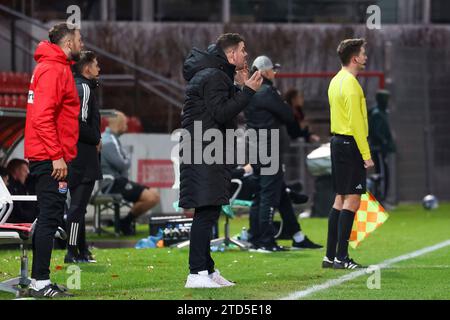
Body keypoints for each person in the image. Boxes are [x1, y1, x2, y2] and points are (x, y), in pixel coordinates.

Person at [180, 33, 263, 288]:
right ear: (230, 54)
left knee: (210, 208)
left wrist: (239, 87)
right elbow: (221, 112)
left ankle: (208, 269)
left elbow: (223, 111)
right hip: (204, 151)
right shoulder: (214, 76)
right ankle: (196, 273)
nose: (246, 54)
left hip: (207, 150)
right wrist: (247, 90)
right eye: (242, 50)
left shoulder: (215, 75)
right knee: (205, 211)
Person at [24, 22, 83, 298]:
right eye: (80, 39)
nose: (82, 44)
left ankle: (40, 280)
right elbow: (42, 117)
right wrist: (57, 156)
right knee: (49, 219)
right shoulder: (52, 69)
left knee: (49, 218)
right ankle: (39, 283)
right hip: (50, 158)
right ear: (69, 42)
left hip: (50, 155)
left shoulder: (52, 67)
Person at [244, 55, 322, 252]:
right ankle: (266, 241)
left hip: (256, 148)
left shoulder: (251, 91)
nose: (275, 72)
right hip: (268, 150)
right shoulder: (267, 91)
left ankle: (292, 236)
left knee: (266, 194)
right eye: (272, 69)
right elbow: (287, 115)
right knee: (268, 195)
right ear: (263, 72)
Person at [323, 38, 374, 270]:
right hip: (350, 144)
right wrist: (366, 154)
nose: (365, 57)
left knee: (339, 200)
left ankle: (330, 256)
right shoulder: (352, 84)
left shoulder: (335, 80)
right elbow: (356, 123)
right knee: (352, 200)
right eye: (363, 53)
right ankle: (342, 258)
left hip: (337, 142)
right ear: (354, 58)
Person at [64, 51, 102, 264]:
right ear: (87, 68)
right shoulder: (84, 88)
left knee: (78, 206)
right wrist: (96, 138)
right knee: (77, 207)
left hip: (76, 156)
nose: (99, 69)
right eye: (96, 64)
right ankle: (72, 252)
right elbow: (79, 123)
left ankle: (82, 251)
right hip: (82, 157)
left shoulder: (76, 86)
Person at [101, 111, 160, 235]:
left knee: (154, 194)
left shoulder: (112, 139)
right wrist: (127, 158)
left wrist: (125, 159)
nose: (127, 127)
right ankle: (125, 222)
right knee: (151, 197)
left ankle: (125, 221)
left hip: (119, 182)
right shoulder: (108, 141)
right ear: (119, 124)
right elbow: (122, 163)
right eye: (125, 124)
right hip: (113, 184)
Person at [368, 89, 396, 201]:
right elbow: (375, 131)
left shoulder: (383, 112)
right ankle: (381, 198)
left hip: (383, 149)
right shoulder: (376, 114)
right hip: (378, 149)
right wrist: (383, 141)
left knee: (385, 173)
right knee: (382, 174)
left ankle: (383, 196)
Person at [5, 159, 38, 223]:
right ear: (16, 171)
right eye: (25, 170)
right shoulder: (10, 188)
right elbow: (18, 211)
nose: (27, 173)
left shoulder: (22, 187)